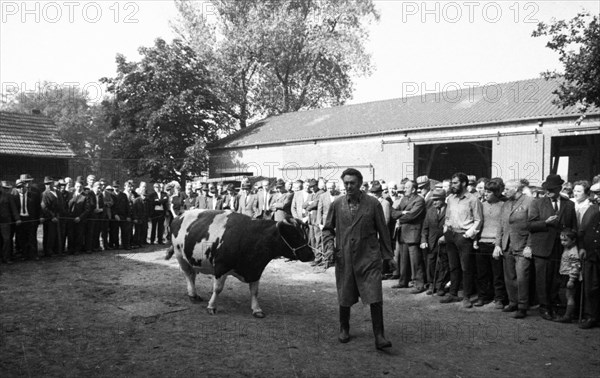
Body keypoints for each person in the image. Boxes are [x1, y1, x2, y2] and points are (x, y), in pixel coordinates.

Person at [322, 168, 396, 350]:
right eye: (346, 183)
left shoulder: (373, 204)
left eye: (352, 183)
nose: (348, 186)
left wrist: (388, 256)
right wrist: (330, 248)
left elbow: (383, 231)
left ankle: (379, 336)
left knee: (375, 296)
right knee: (345, 294)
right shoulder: (337, 204)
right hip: (345, 257)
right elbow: (327, 229)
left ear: (360, 183)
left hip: (369, 257)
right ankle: (344, 328)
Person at [528, 174, 576, 320]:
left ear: (559, 188)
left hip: (561, 249)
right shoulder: (537, 203)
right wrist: (546, 222)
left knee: (556, 279)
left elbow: (573, 226)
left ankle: (553, 304)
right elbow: (530, 225)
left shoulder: (569, 204)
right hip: (542, 248)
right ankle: (544, 307)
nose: (548, 191)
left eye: (551, 189)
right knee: (543, 279)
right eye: (546, 189)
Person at [441, 172, 483, 308]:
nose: (452, 185)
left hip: (464, 237)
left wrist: (469, 233)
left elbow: (478, 219)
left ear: (463, 183)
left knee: (466, 268)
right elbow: (447, 216)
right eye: (452, 183)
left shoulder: (473, 199)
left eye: (455, 183)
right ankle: (453, 294)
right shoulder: (451, 198)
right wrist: (446, 228)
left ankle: (467, 296)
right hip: (451, 235)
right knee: (453, 266)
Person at [495, 180, 534, 318]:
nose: (504, 191)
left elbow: (533, 226)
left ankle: (522, 306)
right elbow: (500, 225)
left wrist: (529, 245)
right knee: (509, 277)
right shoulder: (506, 204)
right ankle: (513, 302)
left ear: (516, 188)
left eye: (507, 189)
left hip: (522, 246)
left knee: (522, 277)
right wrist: (497, 244)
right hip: (507, 245)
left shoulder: (530, 202)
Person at [391, 179, 426, 293]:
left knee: (415, 261)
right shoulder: (404, 199)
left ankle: (419, 284)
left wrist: (400, 215)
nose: (404, 189)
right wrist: (403, 213)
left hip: (413, 234)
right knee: (403, 260)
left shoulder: (419, 200)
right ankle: (403, 281)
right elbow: (393, 213)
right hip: (403, 233)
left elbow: (412, 216)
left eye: (407, 187)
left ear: (414, 189)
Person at [478, 180, 507, 309]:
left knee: (497, 273)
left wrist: (498, 244)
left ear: (496, 193)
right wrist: (475, 240)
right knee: (482, 272)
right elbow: (478, 223)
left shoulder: (503, 205)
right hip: (482, 243)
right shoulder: (481, 205)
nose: (485, 194)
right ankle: (483, 296)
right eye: (485, 191)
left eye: (489, 192)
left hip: (495, 244)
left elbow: (503, 226)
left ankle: (499, 298)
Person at [577, 182, 600, 329]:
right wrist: (582, 247)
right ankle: (591, 316)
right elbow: (583, 230)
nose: (596, 197)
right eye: (596, 194)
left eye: (599, 194)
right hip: (592, 254)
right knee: (591, 287)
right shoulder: (592, 209)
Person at [420, 188, 450, 295]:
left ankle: (440, 286)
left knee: (444, 265)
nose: (434, 202)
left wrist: (446, 237)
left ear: (443, 199)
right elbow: (425, 228)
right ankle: (432, 284)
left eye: (437, 200)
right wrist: (423, 240)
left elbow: (452, 226)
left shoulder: (449, 210)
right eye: (433, 200)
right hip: (431, 243)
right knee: (431, 264)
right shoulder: (430, 211)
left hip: (444, 243)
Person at [554, 229, 581, 323]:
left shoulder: (573, 252)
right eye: (561, 240)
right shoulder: (567, 248)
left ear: (573, 240)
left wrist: (572, 279)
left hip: (569, 276)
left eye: (565, 240)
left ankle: (568, 316)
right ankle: (566, 313)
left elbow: (575, 266)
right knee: (565, 295)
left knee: (570, 296)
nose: (562, 243)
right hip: (564, 274)